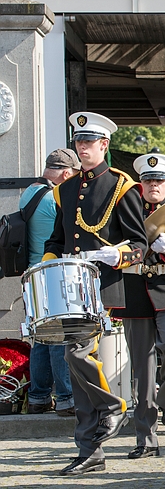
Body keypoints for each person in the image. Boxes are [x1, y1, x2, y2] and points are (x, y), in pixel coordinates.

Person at [43, 111, 148, 476]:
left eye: (89, 142)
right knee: (75, 366)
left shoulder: (123, 186)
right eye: (79, 142)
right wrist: (47, 266)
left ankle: (113, 406)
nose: (82, 147)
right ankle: (90, 449)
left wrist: (117, 254)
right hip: (70, 284)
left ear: (105, 145)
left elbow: (140, 244)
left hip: (102, 283)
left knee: (76, 353)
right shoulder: (66, 189)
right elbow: (57, 240)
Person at [114, 153, 165, 459]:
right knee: (143, 369)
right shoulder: (126, 212)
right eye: (148, 180)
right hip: (135, 291)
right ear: (141, 183)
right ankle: (146, 439)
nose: (154, 186)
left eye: (159, 181)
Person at [24, 148, 78, 417]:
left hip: (31, 275)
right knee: (59, 337)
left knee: (40, 339)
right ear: (66, 174)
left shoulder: (29, 193)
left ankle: (38, 397)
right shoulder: (54, 198)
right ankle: (66, 398)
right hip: (53, 272)